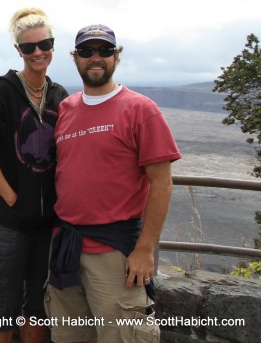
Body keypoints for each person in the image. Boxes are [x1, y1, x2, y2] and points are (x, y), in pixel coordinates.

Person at [45, 24, 182, 343]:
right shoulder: (67, 109)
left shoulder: (141, 109)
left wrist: (145, 249)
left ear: (116, 57)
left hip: (114, 253)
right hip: (66, 248)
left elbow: (161, 184)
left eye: (104, 51)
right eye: (87, 51)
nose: (96, 58)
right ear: (75, 57)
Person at [0, 7, 68, 343]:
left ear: (53, 45)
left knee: (38, 309)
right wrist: (10, 196)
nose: (38, 52)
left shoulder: (60, 97)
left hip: (47, 226)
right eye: (29, 47)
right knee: (2, 307)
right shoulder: (2, 92)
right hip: (9, 224)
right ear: (18, 51)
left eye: (45, 44)